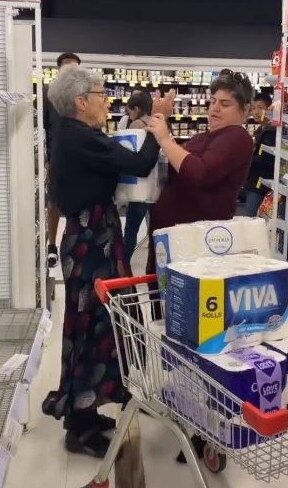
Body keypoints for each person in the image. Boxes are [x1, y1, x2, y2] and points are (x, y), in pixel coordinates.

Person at [41, 65, 174, 458]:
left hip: (91, 236)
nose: (106, 102)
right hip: (91, 242)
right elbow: (138, 163)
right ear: (82, 102)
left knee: (100, 325)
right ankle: (79, 429)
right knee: (91, 326)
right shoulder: (80, 136)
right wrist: (158, 121)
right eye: (101, 96)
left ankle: (87, 411)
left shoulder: (72, 134)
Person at [146, 69, 254, 462]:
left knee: (197, 343)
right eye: (212, 101)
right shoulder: (208, 136)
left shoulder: (237, 139)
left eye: (225, 103)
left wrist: (166, 137)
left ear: (243, 110)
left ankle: (204, 425)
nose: (214, 108)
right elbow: (180, 162)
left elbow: (197, 172)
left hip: (197, 258)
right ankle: (188, 414)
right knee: (176, 338)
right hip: (172, 252)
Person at [44, 52, 81, 267]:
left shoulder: (83, 95)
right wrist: (46, 159)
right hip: (56, 157)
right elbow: (42, 127)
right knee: (54, 203)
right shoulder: (47, 94)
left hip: (80, 157)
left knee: (79, 200)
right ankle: (52, 246)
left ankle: (73, 240)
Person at [121, 92, 153, 264]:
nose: (129, 114)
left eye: (130, 110)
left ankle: (124, 264)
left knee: (131, 229)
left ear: (137, 108)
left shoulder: (137, 124)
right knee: (154, 229)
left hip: (139, 185)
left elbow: (130, 154)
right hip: (155, 185)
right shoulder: (157, 122)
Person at [243, 92, 276, 217]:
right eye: (253, 108)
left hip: (260, 186)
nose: (256, 112)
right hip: (256, 182)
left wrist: (245, 158)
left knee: (251, 220)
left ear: (269, 110)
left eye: (261, 108)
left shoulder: (270, 132)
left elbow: (266, 159)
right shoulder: (261, 129)